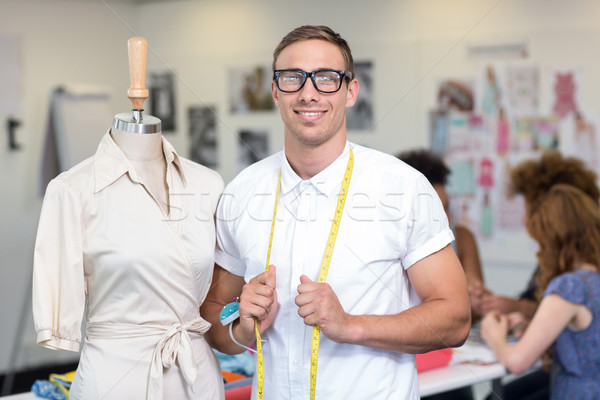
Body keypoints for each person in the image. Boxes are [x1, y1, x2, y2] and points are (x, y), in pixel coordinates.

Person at [201, 25, 471, 400]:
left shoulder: (403, 188)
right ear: (275, 91)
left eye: (326, 78)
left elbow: (455, 319)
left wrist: (351, 326)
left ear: (351, 92)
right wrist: (242, 330)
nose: (308, 93)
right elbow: (213, 316)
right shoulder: (241, 193)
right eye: (292, 78)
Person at [33, 122, 225, 399]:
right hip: (115, 377)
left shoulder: (208, 183)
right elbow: (58, 309)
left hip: (196, 374)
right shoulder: (71, 189)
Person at [481, 184, 600, 399]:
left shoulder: (569, 286)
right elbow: (588, 340)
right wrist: (534, 329)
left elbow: (517, 363)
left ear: (552, 242)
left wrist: (494, 335)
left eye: (540, 244)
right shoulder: (594, 280)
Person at [470, 151, 600, 320]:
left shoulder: (581, 269)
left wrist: (521, 308)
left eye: (529, 209)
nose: (525, 219)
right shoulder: (553, 256)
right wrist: (495, 303)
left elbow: (567, 314)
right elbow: (532, 296)